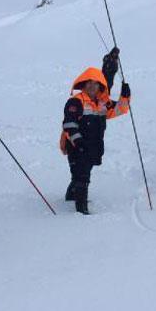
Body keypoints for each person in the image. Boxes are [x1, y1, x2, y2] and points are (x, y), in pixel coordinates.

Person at [60, 67, 130, 215]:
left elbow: (120, 109)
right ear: (84, 85)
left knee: (83, 171)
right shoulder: (75, 102)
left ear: (100, 86)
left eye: (95, 83)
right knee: (82, 176)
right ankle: (81, 208)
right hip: (76, 145)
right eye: (89, 83)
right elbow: (69, 124)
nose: (92, 86)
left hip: (93, 146)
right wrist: (78, 142)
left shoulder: (102, 103)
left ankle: (71, 194)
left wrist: (125, 96)